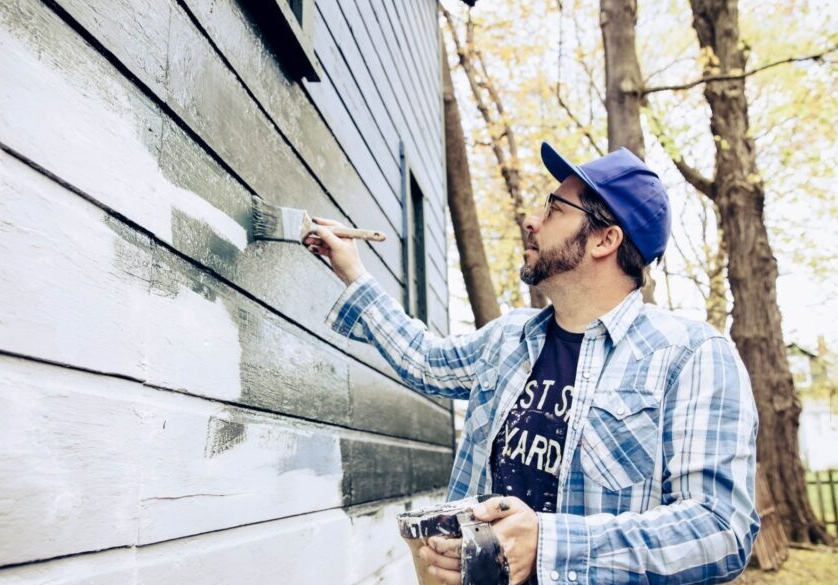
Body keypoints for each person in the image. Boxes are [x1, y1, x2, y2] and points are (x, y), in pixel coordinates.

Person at [304, 143, 760, 585]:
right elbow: (424, 360)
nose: (531, 221)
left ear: (605, 239)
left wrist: (547, 542)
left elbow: (721, 529)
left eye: (554, 209)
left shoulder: (692, 355)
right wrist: (352, 271)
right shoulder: (508, 338)